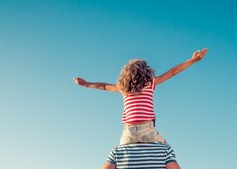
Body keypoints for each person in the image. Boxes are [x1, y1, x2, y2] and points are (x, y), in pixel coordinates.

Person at [73, 48, 208, 147]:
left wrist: (85, 84)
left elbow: (104, 86)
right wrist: (193, 60)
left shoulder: (123, 88)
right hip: (147, 129)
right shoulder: (150, 83)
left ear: (125, 75)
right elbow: (173, 72)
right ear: (146, 72)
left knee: (121, 157)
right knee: (166, 150)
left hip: (128, 132)